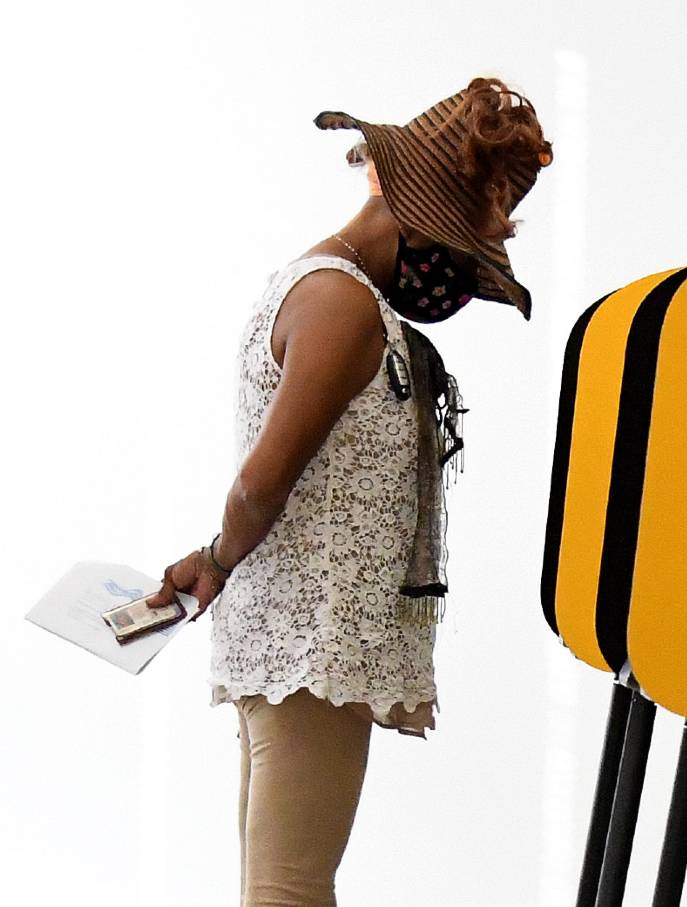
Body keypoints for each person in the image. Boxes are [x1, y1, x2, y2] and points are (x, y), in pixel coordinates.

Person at [145, 76, 552, 907]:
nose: (456, 279)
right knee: (291, 891)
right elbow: (262, 484)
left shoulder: (330, 289)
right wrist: (216, 554)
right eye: (457, 247)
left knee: (277, 887)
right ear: (401, 202)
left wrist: (218, 559)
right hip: (312, 647)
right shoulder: (342, 304)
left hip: (293, 639)